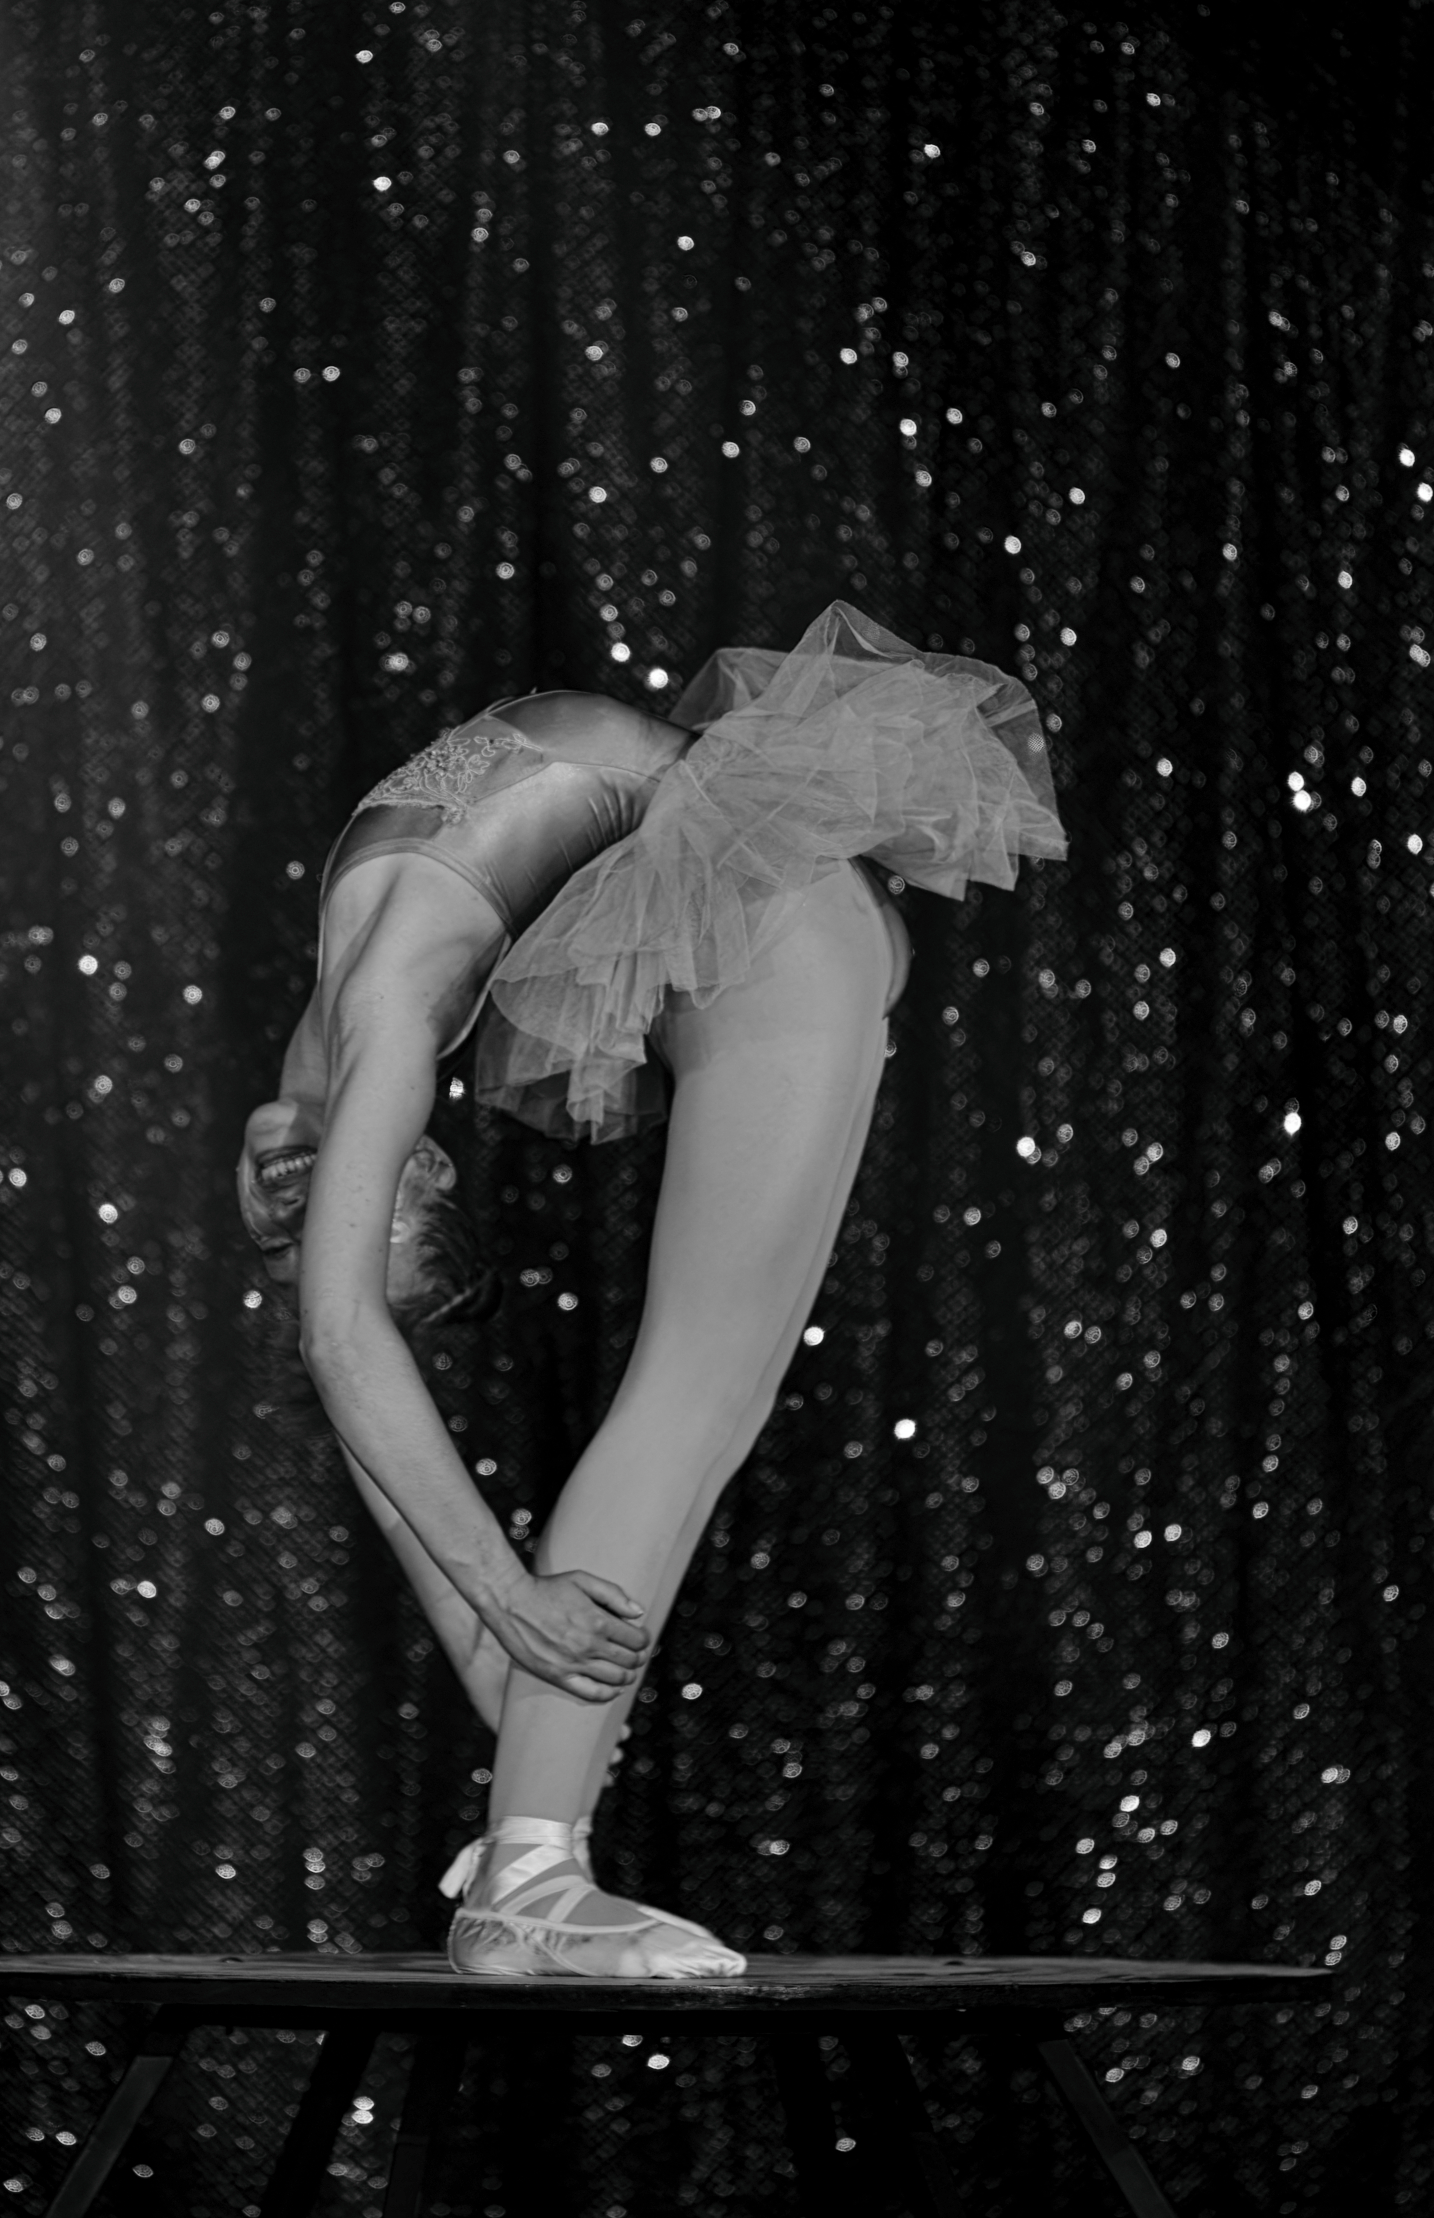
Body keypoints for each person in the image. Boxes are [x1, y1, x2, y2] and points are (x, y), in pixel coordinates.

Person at [239, 603, 1066, 1979]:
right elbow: (352, 1378)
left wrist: (511, 1609)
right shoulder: (322, 1073)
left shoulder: (373, 1025)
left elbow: (341, 1340)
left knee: (694, 1399)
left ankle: (526, 1854)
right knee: (696, 1403)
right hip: (765, 900)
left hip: (770, 901)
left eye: (334, 1229)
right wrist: (503, 1628)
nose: (315, 1223)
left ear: (414, 1168)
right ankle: (530, 1857)